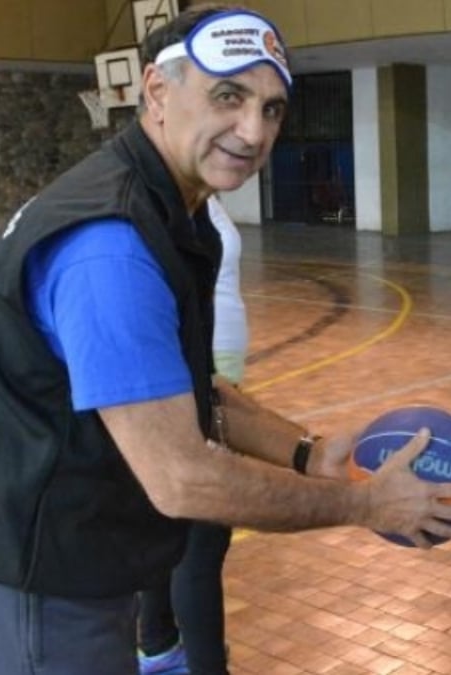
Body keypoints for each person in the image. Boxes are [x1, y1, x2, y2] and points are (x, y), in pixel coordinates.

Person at [0, 7, 451, 673]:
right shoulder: (111, 249)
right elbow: (183, 478)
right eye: (228, 96)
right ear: (157, 93)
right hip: (40, 589)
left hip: (78, 566)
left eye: (272, 108)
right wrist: (364, 502)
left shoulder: (176, 212)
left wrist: (307, 453)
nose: (254, 131)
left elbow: (190, 386)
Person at [137, 196, 247, 675]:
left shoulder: (195, 200)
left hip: (210, 378)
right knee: (204, 536)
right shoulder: (155, 206)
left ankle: (158, 645)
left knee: (173, 524)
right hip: (192, 378)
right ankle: (200, 665)